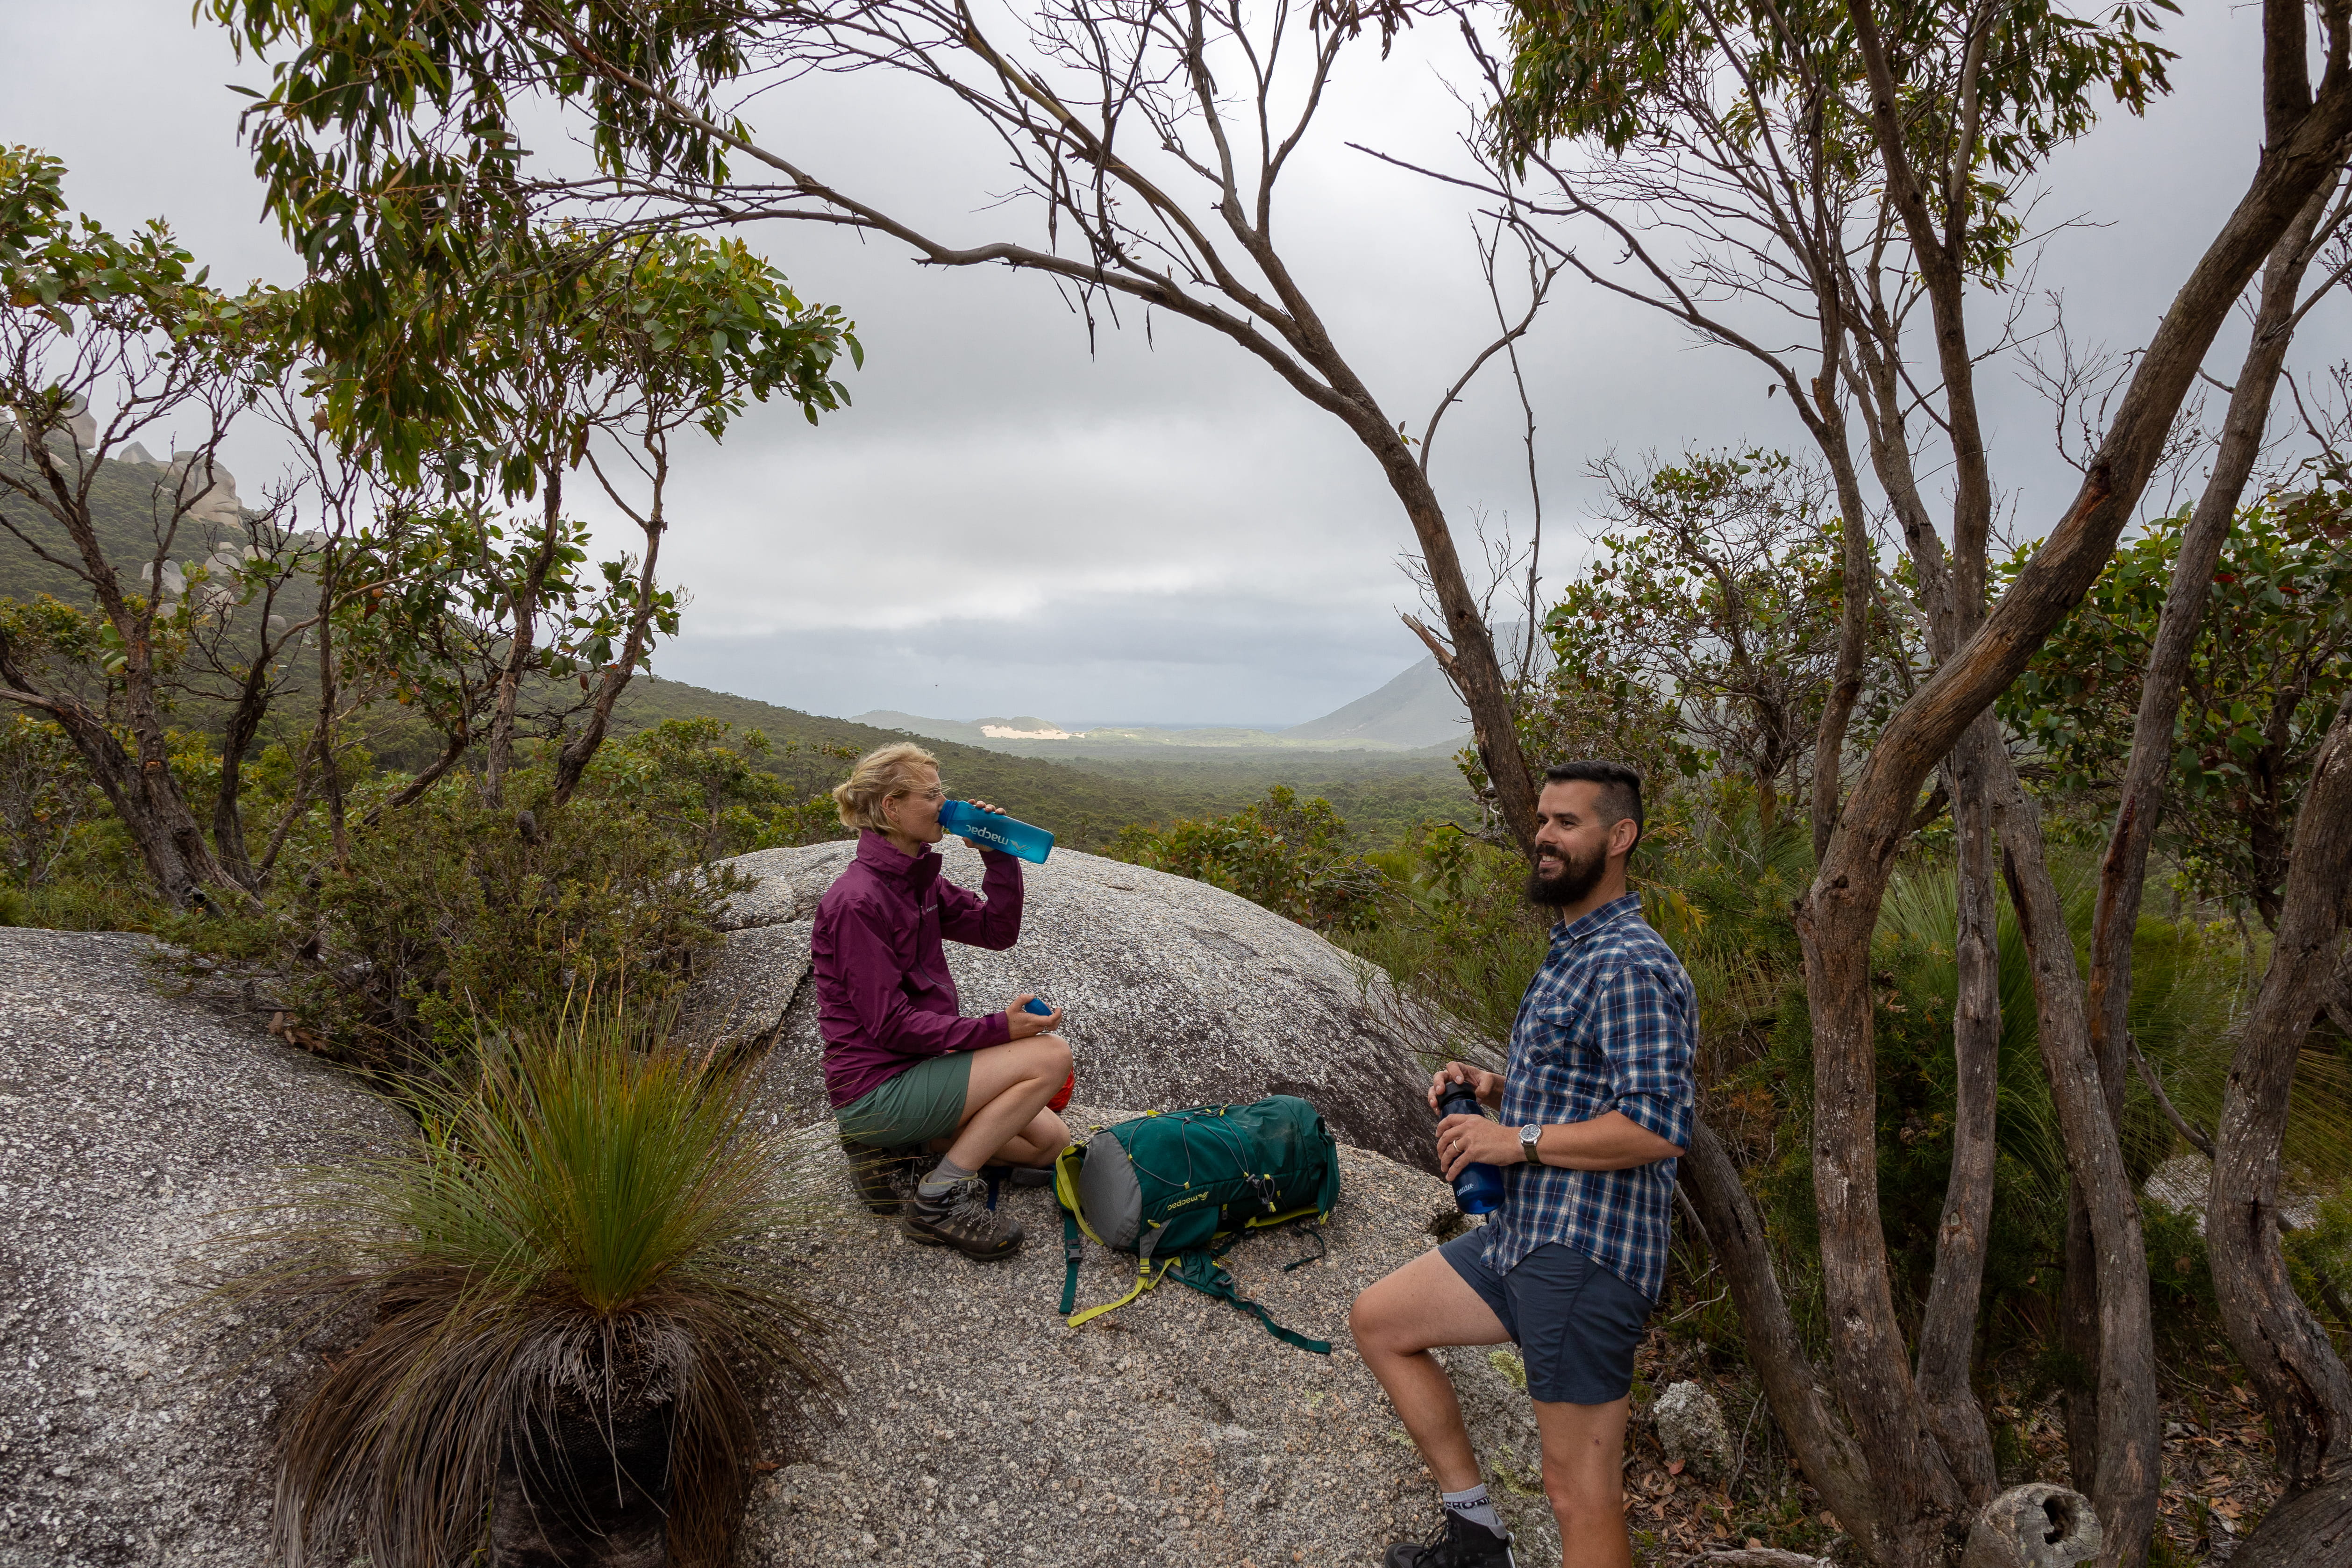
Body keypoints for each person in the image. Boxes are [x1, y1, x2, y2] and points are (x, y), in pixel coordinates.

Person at [1350, 761, 1696, 1568]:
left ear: (1620, 838)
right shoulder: (1574, 948)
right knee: (1382, 1320)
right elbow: (1590, 1088)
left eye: (1567, 822)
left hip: (1582, 1256)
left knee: (1578, 1490)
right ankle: (1476, 1538)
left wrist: (1518, 1142)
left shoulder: (1628, 962)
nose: (1543, 835)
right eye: (1541, 819)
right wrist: (1495, 1088)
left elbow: (1659, 1125)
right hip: (1524, 1236)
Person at [811, 741, 1073, 1261]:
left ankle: (897, 1151)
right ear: (892, 807)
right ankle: (935, 1200)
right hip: (876, 1088)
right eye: (932, 795)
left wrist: (997, 853)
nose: (945, 804)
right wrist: (1002, 1029)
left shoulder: (915, 880)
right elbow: (890, 1026)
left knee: (1050, 1142)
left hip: (919, 1070)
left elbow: (997, 930)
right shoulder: (858, 901)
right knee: (1050, 1056)